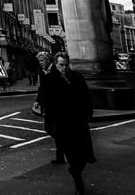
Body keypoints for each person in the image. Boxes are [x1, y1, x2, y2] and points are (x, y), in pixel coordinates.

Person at [44, 52, 95, 195]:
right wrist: (52, 125)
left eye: (66, 65)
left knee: (84, 156)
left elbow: (87, 96)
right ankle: (80, 188)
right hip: (63, 125)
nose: (64, 68)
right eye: (61, 65)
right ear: (56, 64)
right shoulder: (50, 79)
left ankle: (74, 171)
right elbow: (48, 102)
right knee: (72, 157)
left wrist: (88, 114)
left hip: (79, 123)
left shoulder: (77, 77)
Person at [33, 50, 65, 164]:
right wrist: (38, 101)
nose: (40, 63)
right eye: (39, 61)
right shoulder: (43, 71)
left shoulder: (56, 70)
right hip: (49, 106)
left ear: (48, 60)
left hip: (58, 105)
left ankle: (61, 156)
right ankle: (63, 148)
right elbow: (42, 87)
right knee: (50, 129)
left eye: (42, 61)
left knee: (57, 130)